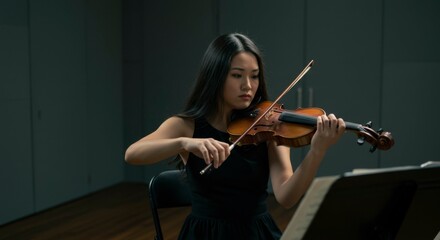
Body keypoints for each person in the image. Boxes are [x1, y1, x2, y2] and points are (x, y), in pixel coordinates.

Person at [125, 33, 346, 239]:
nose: (248, 86)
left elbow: (286, 198)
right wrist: (185, 142)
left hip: (257, 233)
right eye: (237, 75)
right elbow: (132, 154)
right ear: (216, 76)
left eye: (255, 76)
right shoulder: (186, 126)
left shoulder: (270, 127)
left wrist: (317, 150)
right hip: (205, 234)